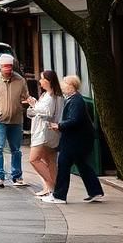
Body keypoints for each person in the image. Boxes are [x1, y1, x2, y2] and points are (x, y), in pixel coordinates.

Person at [43, 75, 105, 205]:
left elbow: (74, 120)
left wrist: (59, 125)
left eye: (64, 84)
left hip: (74, 140)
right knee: (82, 164)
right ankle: (95, 191)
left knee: (63, 165)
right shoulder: (74, 99)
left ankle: (59, 196)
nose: (62, 86)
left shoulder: (76, 101)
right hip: (79, 139)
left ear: (71, 86)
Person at [0, 53, 28, 188]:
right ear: (0, 67)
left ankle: (17, 176)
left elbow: (25, 96)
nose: (8, 69)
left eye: (10, 67)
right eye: (5, 67)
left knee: (16, 149)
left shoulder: (20, 80)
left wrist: (25, 105)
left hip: (16, 120)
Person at [26, 70, 65, 196]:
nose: (40, 81)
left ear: (48, 81)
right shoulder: (52, 95)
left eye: (42, 79)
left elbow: (47, 112)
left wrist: (34, 104)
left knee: (34, 159)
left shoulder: (52, 96)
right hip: (51, 132)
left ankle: (52, 186)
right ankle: (51, 189)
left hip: (44, 132)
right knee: (50, 160)